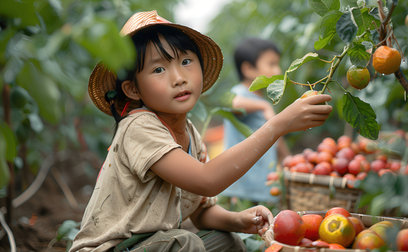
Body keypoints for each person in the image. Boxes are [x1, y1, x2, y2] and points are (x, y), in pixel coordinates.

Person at [70, 10, 332, 252]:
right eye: (159, 69)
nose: (178, 77)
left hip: (157, 244)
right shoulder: (138, 126)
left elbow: (200, 212)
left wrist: (240, 220)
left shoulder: (190, 133)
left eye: (186, 61)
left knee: (227, 241)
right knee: (185, 242)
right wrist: (277, 125)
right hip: (114, 248)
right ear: (133, 90)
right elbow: (207, 180)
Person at [221, 38, 291, 204]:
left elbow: (276, 135)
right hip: (244, 185)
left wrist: (288, 159)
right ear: (248, 69)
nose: (278, 70)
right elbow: (230, 102)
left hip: (263, 182)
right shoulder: (241, 93)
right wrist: (263, 106)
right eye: (271, 64)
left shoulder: (260, 98)